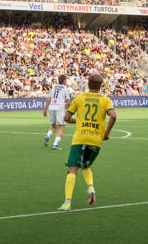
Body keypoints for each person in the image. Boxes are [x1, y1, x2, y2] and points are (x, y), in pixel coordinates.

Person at [58, 74, 117, 212]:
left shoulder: (79, 98)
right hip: (96, 139)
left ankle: (67, 202)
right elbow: (113, 116)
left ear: (88, 84)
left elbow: (66, 118)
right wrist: (106, 133)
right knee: (85, 165)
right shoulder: (105, 100)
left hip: (80, 138)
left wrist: (77, 121)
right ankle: (90, 187)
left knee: (72, 170)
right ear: (100, 86)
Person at [44, 74, 72, 149]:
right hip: (59, 107)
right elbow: (68, 102)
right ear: (64, 80)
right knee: (62, 127)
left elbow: (48, 99)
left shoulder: (53, 88)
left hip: (52, 107)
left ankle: (47, 135)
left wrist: (45, 110)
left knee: (54, 126)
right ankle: (55, 144)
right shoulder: (65, 89)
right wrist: (68, 111)